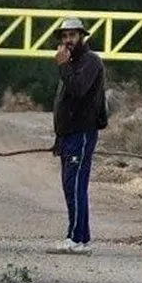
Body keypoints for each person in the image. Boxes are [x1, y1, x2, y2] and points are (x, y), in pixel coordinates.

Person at [48, 17, 107, 255]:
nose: (67, 40)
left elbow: (79, 90)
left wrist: (63, 66)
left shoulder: (90, 62)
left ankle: (75, 238)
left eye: (72, 35)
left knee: (74, 186)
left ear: (81, 37)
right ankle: (81, 237)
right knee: (72, 186)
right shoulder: (72, 63)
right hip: (69, 135)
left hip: (82, 134)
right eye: (64, 36)